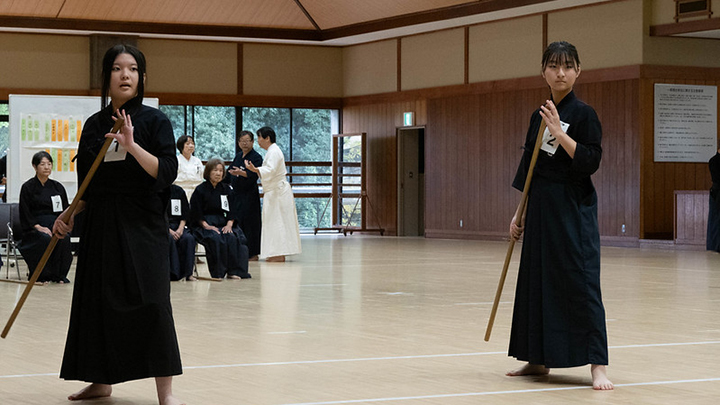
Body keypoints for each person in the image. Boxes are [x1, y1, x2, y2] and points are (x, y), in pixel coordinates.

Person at [52, 44, 184, 405]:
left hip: (143, 224)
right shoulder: (95, 125)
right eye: (117, 68)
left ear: (142, 77)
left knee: (154, 303)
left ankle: (166, 393)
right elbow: (88, 186)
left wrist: (132, 145)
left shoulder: (155, 121)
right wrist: (68, 214)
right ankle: (101, 381)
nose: (125, 75)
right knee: (98, 303)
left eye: (132, 69)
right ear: (106, 77)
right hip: (101, 224)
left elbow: (167, 172)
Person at [506, 41, 612, 390]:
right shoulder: (538, 115)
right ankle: (536, 359)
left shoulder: (584, 114)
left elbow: (590, 161)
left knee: (580, 282)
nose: (560, 73)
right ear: (543, 72)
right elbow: (529, 168)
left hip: (572, 209)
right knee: (537, 281)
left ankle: (598, 365)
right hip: (541, 209)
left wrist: (559, 134)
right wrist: (519, 214)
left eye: (567, 66)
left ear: (578, 71)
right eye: (553, 66)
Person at [245, 126, 301, 262]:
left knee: (278, 222)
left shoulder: (274, 151)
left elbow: (270, 170)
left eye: (259, 137)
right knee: (273, 222)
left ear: (267, 138)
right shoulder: (271, 151)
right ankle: (274, 252)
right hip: (274, 192)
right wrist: (256, 170)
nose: (258, 140)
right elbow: (269, 170)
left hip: (278, 192)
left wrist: (255, 169)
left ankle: (278, 254)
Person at [17, 151, 72, 284]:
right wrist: (38, 227)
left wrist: (62, 226)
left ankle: (59, 275)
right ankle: (41, 275)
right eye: (42, 164)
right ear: (35, 166)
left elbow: (65, 210)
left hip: (55, 224)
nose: (47, 167)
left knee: (64, 238)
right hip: (35, 227)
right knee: (44, 238)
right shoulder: (28, 187)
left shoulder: (58, 187)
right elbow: (25, 212)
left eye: (49, 164)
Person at [190, 158, 250, 279]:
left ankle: (233, 271)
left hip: (224, 222)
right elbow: (196, 212)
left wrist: (229, 224)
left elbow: (233, 209)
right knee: (215, 237)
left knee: (232, 237)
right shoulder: (200, 189)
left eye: (221, 171)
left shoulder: (226, 189)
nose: (218, 173)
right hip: (205, 223)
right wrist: (206, 225)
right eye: (215, 170)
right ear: (208, 172)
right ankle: (218, 273)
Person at [226, 130, 263, 261]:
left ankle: (253, 253)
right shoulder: (238, 156)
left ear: (252, 142)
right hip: (237, 195)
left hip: (250, 195)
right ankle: (240, 251)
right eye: (242, 141)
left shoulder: (256, 157)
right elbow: (229, 172)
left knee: (251, 224)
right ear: (238, 143)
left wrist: (241, 173)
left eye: (247, 141)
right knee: (239, 222)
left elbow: (255, 175)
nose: (244, 143)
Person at [168, 183, 197, 281]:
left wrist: (180, 229)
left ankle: (188, 274)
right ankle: (173, 273)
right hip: (163, 226)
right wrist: (169, 230)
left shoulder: (179, 191)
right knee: (169, 239)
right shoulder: (157, 191)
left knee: (189, 238)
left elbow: (185, 213)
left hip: (179, 225)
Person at [175, 135, 203, 201]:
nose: (191, 146)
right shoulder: (176, 161)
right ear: (181, 146)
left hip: (196, 192)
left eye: (192, 143)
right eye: (187, 144)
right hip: (179, 191)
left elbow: (201, 177)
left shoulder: (197, 161)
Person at [708, 147, 720, 252]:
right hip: (717, 192)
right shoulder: (714, 160)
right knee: (716, 220)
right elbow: (717, 178)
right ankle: (715, 246)